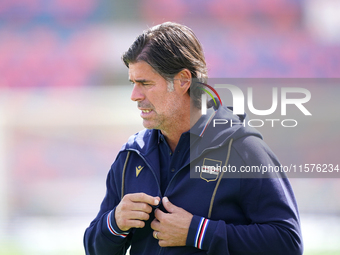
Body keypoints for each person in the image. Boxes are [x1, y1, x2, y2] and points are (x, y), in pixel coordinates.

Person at [84, 22, 303, 255]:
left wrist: (199, 232)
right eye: (133, 83)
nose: (134, 96)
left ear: (183, 81)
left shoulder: (242, 148)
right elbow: (95, 249)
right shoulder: (131, 155)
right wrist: (114, 223)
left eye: (145, 83)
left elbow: (288, 242)